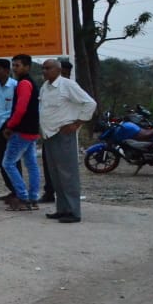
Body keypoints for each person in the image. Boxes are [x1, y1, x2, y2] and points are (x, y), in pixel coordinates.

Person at [39, 58, 96, 224]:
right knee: (56, 175)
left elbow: (90, 103)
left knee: (68, 174)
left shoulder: (68, 85)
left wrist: (77, 123)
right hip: (49, 135)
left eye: (48, 68)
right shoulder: (45, 87)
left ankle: (73, 211)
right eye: (43, 68)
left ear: (58, 70)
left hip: (63, 134)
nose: (45, 71)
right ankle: (62, 209)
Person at [2, 54, 42, 212]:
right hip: (32, 130)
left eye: (17, 65)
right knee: (31, 164)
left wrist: (10, 125)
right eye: (13, 65)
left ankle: (22, 197)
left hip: (22, 130)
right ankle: (33, 198)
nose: (14, 68)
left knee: (8, 163)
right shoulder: (29, 82)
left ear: (27, 67)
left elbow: (20, 109)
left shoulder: (24, 83)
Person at [0, 58, 21, 201]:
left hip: (9, 127)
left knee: (12, 160)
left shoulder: (15, 86)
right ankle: (12, 189)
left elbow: (18, 108)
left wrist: (11, 125)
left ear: (7, 71)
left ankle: (19, 192)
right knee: (0, 160)